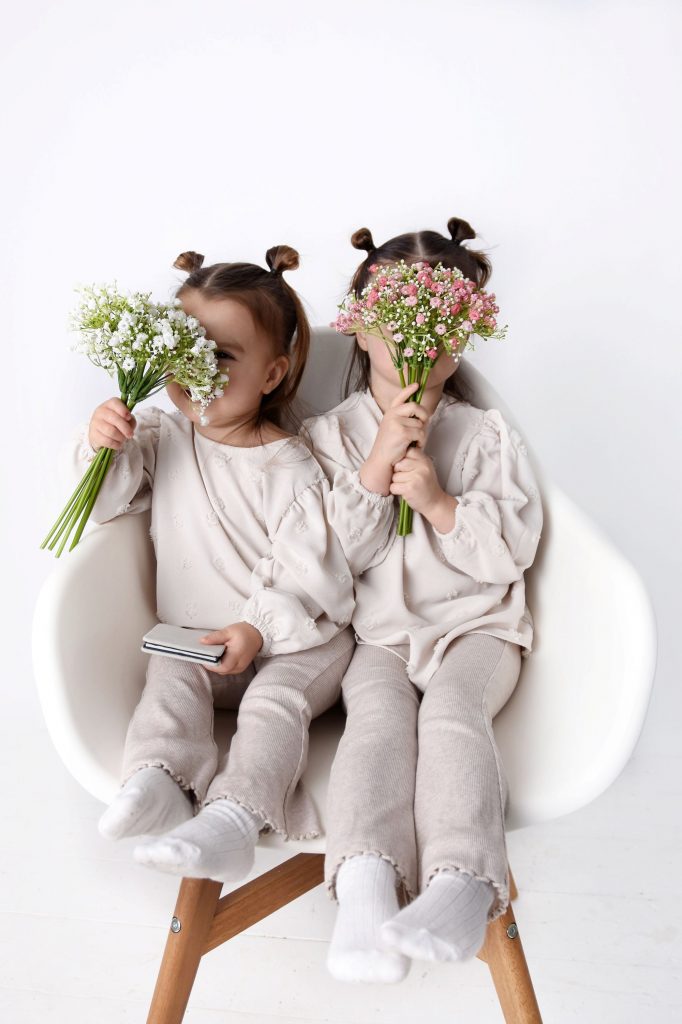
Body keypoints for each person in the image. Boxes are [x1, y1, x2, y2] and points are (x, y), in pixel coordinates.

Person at [303, 219, 543, 982]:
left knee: (449, 715)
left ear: (463, 331)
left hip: (477, 627)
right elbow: (331, 560)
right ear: (359, 324)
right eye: (395, 314)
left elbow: (509, 555)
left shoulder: (483, 434)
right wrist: (377, 468)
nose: (416, 336)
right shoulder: (330, 437)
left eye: (439, 317)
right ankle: (364, 885)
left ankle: (463, 881)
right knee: (375, 726)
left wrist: (440, 504)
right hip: (379, 635)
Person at [77, 245, 355, 884]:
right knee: (169, 676)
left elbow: (312, 573)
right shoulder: (161, 436)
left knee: (275, 702)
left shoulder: (289, 465)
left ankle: (237, 816)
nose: (199, 368)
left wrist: (257, 628)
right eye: (186, 350)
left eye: (223, 355)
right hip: (202, 641)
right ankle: (160, 780)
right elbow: (105, 503)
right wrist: (103, 444)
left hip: (296, 643)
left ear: (272, 374)